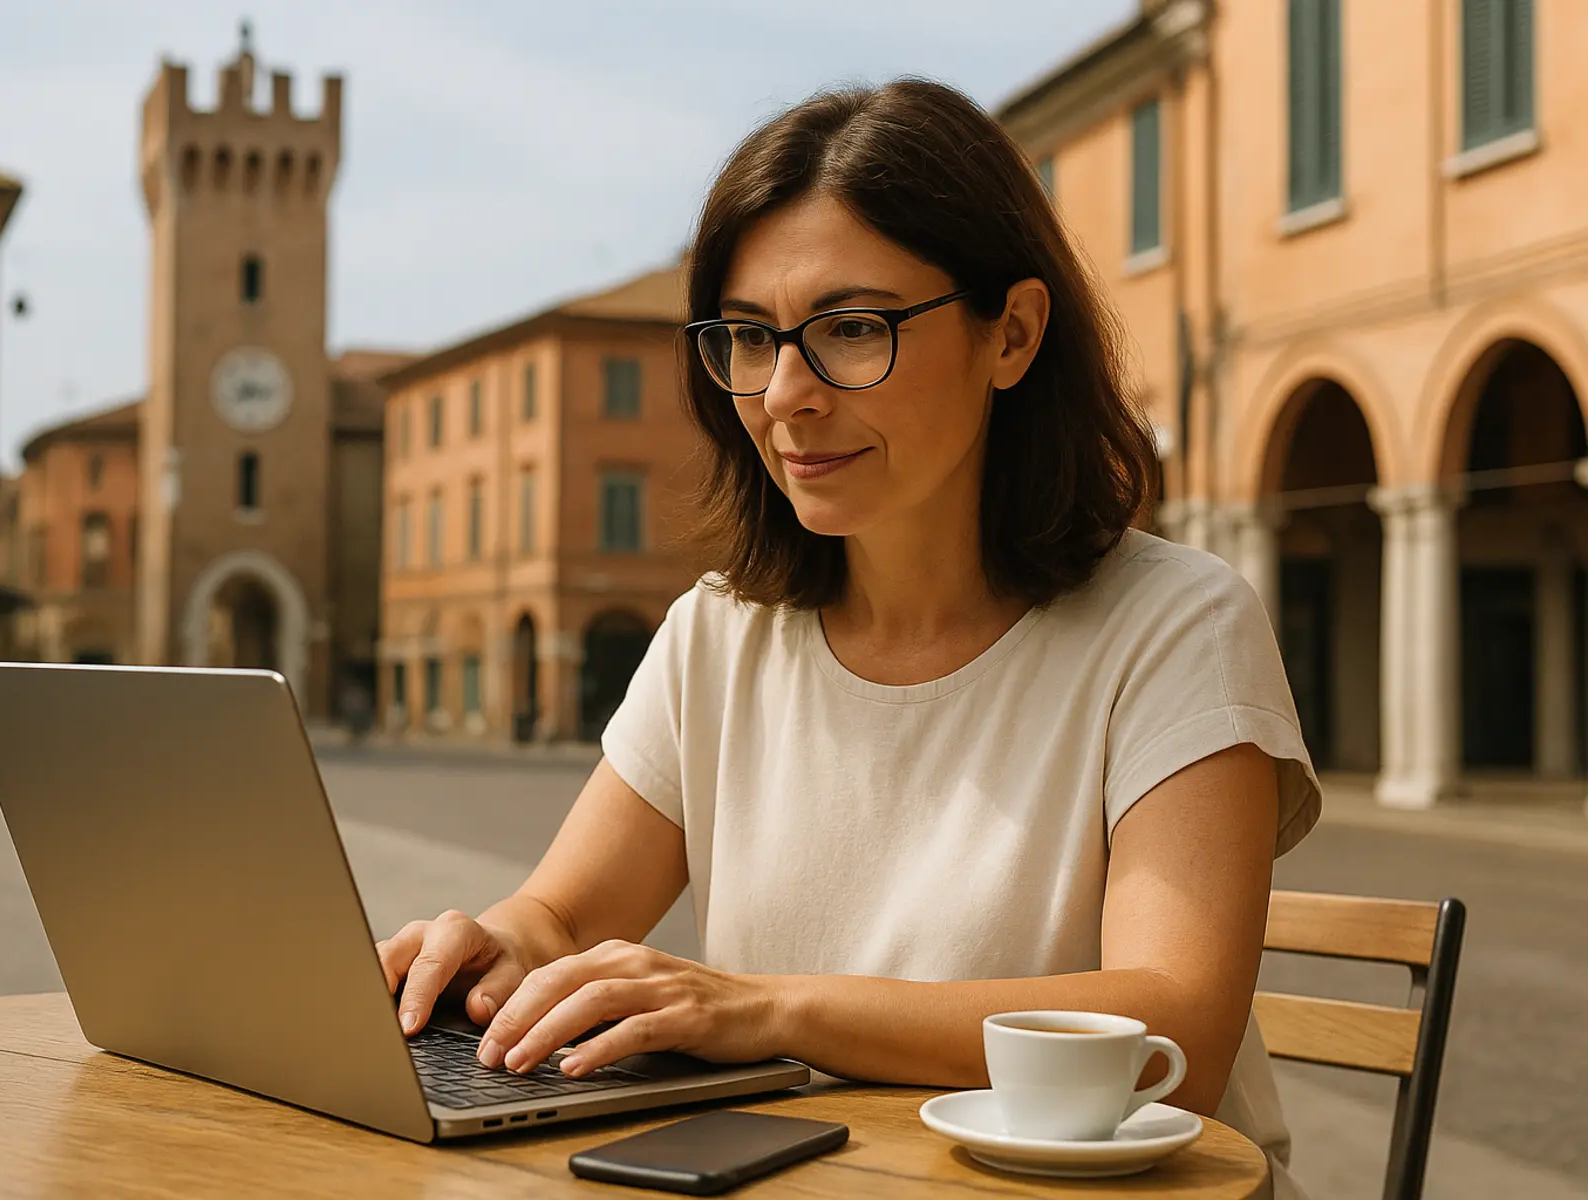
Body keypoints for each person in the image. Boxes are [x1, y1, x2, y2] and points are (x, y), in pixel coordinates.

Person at [377, 78, 1318, 1197]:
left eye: (851, 330)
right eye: (750, 338)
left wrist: (770, 1007)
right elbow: (565, 911)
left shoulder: (1177, 628)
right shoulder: (718, 635)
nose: (785, 395)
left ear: (1011, 333)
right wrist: (495, 955)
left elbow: (1173, 1031)